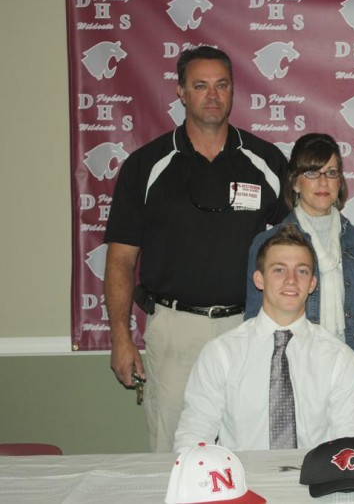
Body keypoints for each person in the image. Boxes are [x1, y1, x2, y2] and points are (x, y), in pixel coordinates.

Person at [104, 46, 289, 452]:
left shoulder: (267, 161)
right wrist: (121, 336)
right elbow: (120, 260)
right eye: (200, 86)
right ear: (181, 92)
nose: (212, 95)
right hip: (175, 331)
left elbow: (293, 253)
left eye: (221, 85)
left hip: (248, 327)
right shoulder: (145, 166)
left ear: (233, 90)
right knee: (175, 450)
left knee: (254, 449)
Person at [174, 224, 354, 452]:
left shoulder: (340, 359)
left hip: (314, 474)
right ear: (259, 279)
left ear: (312, 284)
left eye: (302, 271)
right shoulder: (221, 354)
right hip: (242, 474)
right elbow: (193, 438)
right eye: (279, 270)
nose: (291, 280)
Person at [245, 133, 354, 415]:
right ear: (295, 182)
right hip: (292, 367)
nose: (323, 182)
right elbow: (254, 317)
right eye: (312, 172)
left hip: (350, 368)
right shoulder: (269, 243)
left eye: (331, 172)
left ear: (340, 182)